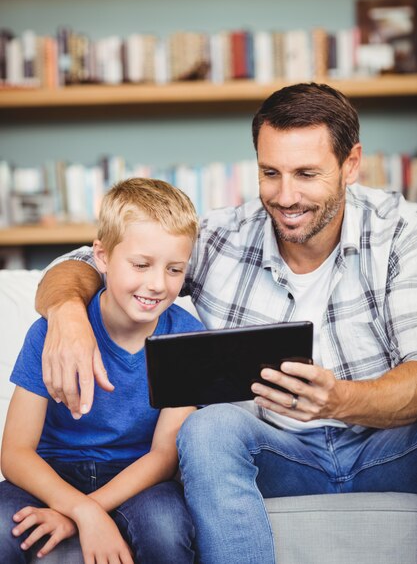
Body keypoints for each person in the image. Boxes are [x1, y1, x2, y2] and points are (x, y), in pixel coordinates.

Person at [35, 82, 417, 564]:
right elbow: (83, 265)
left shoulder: (402, 234)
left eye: (306, 174)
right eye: (270, 173)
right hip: (276, 454)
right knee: (209, 425)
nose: (286, 195)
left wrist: (341, 400)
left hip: (388, 450)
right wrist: (67, 312)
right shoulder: (223, 237)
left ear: (351, 164)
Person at [0, 177, 204, 563]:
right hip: (52, 472)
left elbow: (163, 455)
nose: (157, 284)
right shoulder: (51, 333)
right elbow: (15, 452)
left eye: (175, 269)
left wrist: (86, 508)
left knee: (167, 530)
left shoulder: (187, 339)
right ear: (103, 256)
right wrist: (83, 511)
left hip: (138, 477)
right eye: (141, 265)